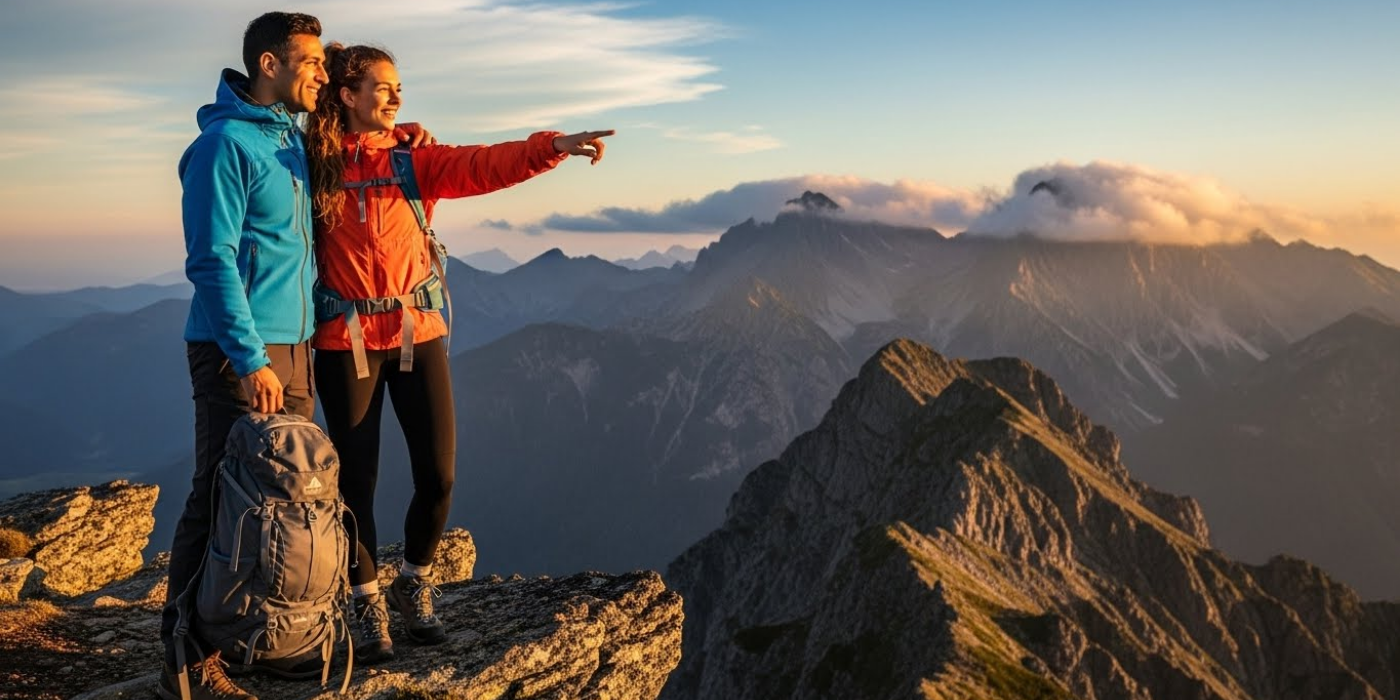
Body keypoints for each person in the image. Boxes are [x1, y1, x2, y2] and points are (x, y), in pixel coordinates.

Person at [303, 42, 612, 663]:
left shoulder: (414, 163)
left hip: (417, 335)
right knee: (356, 483)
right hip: (347, 342)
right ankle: (366, 601)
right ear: (346, 96)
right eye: (383, 87)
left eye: (398, 87)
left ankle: (414, 581)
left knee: (438, 477)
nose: (396, 97)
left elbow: (483, 164)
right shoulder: (313, 166)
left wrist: (550, 146)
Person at [160, 14, 434, 700]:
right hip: (240, 349)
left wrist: (404, 134)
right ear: (269, 64)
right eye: (310, 63)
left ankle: (260, 637)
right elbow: (211, 260)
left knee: (281, 497)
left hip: (299, 346)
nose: (321, 74)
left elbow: (357, 132)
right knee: (220, 491)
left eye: (322, 65)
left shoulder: (291, 137)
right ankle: (185, 658)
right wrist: (250, 358)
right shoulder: (226, 145)